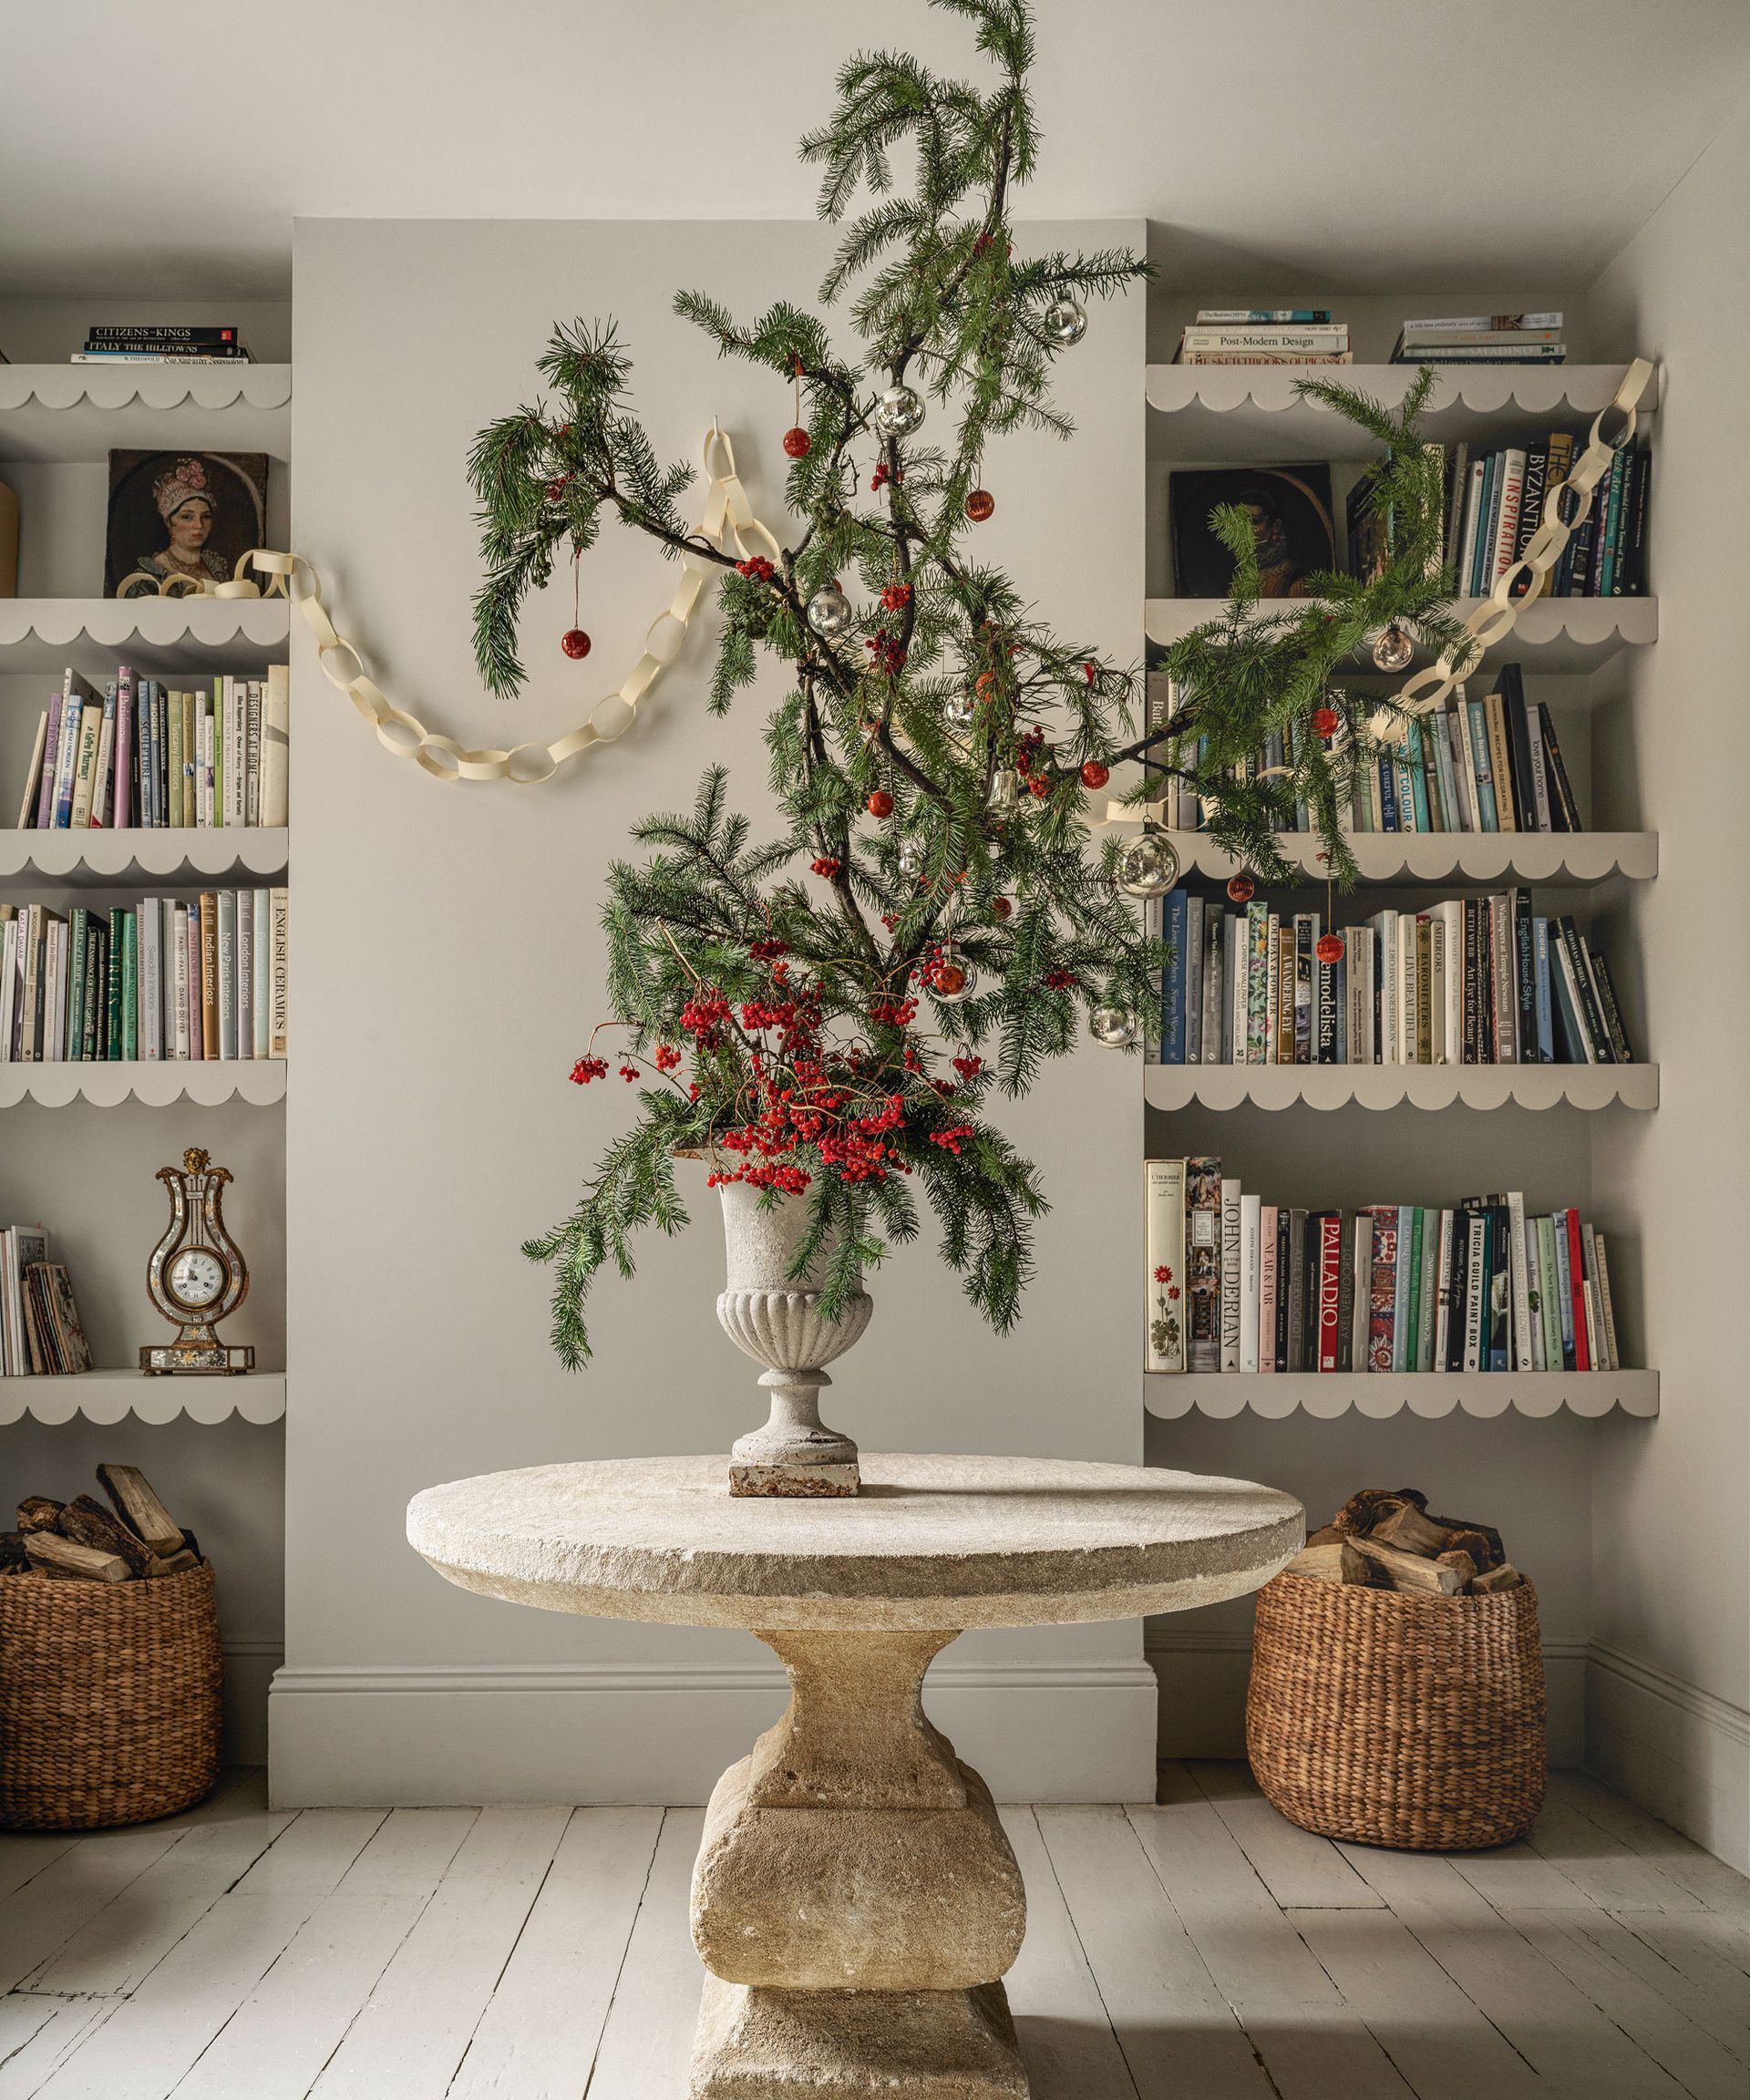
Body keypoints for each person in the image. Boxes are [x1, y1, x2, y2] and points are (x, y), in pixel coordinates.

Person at [130, 458, 230, 590]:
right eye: (187, 517)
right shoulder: (150, 576)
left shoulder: (216, 569)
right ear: (169, 522)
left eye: (206, 517)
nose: (199, 525)